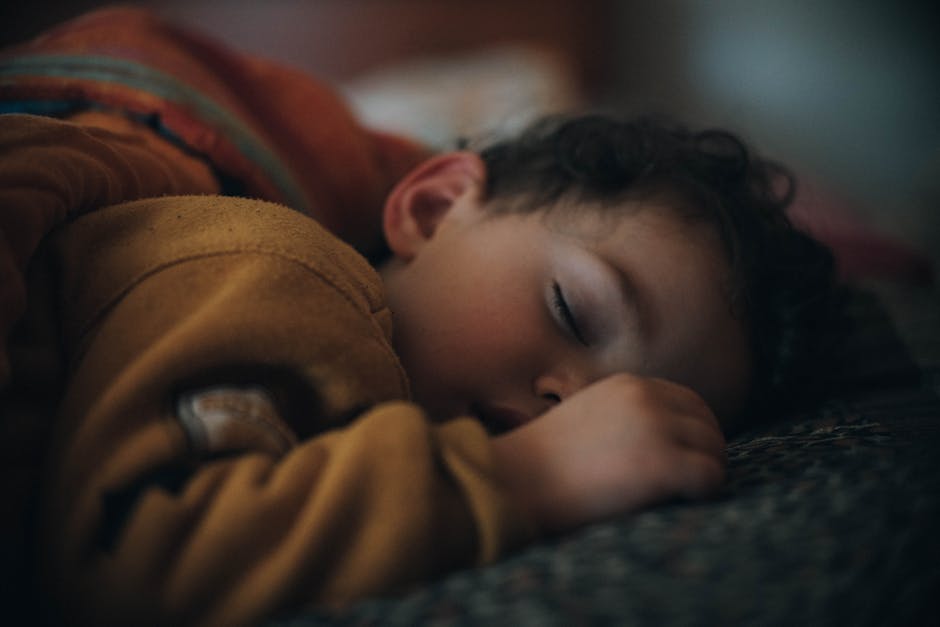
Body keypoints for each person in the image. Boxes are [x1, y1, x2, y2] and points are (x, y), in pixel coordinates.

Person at [0, 8, 836, 627]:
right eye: (573, 311)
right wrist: (523, 478)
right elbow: (144, 565)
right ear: (434, 207)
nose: (572, 406)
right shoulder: (270, 264)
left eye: (624, 411)